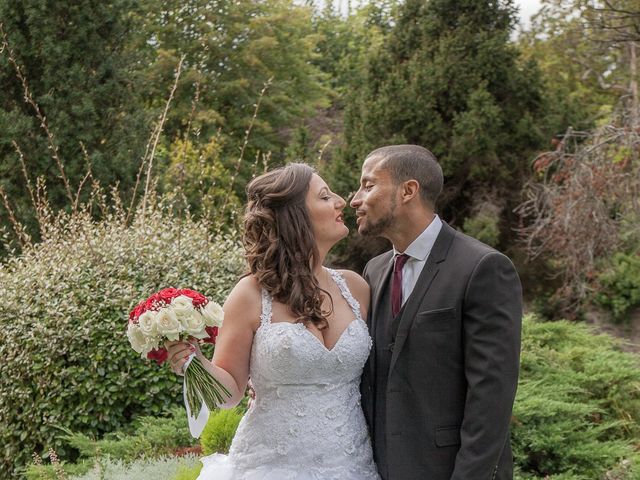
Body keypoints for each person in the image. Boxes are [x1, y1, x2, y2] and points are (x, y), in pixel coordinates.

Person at [166, 163, 380, 480]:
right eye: (324, 197)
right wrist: (193, 362)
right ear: (295, 216)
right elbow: (230, 394)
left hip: (353, 464)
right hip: (270, 467)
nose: (340, 202)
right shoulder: (250, 295)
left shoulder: (357, 289)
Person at [350, 145, 522, 480]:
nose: (355, 199)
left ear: (408, 190)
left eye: (368, 185)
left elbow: (492, 395)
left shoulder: (482, 268)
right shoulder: (374, 270)